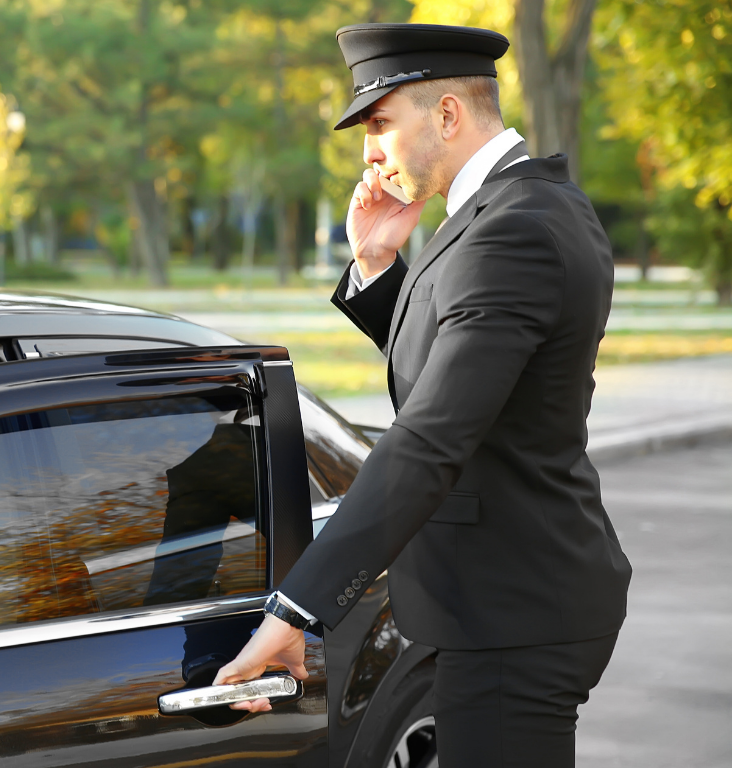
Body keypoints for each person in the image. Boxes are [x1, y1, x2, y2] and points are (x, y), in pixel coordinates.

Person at [214, 23, 632, 767]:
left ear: (446, 115)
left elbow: (432, 436)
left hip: (513, 615)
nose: (367, 152)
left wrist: (295, 610)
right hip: (511, 600)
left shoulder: (516, 229)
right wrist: (378, 265)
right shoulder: (503, 212)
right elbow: (470, 375)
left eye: (379, 124)